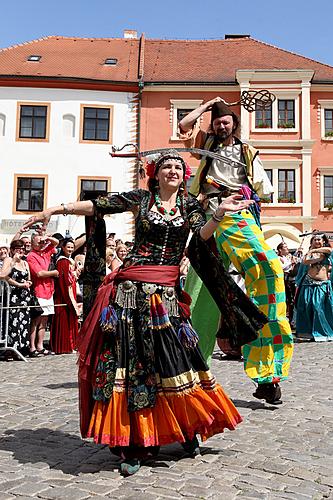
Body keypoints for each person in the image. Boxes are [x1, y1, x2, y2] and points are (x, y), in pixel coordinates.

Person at [23, 149, 264, 477]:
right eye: (166, 166)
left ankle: (186, 426)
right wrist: (54, 209)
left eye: (178, 167)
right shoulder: (142, 198)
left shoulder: (190, 205)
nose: (173, 171)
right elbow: (99, 205)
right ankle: (135, 442)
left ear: (184, 175)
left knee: (178, 361)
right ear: (156, 172)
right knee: (133, 367)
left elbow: (199, 238)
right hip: (130, 295)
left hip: (165, 297)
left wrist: (219, 213)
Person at [179, 98, 294, 405]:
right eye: (217, 121)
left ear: (234, 123)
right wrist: (208, 105)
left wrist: (249, 200)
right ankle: (189, 371)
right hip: (210, 218)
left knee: (269, 271)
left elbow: (263, 189)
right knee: (202, 293)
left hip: (239, 217)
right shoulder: (206, 143)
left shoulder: (246, 150)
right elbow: (184, 126)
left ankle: (268, 375)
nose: (221, 124)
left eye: (226, 121)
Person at [26, 233, 59, 357]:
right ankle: (32, 346)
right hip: (38, 290)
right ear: (32, 242)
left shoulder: (45, 252)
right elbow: (39, 274)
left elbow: (56, 243)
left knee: (44, 320)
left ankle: (40, 345)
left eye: (42, 241)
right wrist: (53, 273)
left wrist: (47, 238)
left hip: (49, 290)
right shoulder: (31, 256)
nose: (41, 243)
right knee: (36, 320)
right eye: (38, 241)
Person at [295, 234, 333, 342]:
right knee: (307, 306)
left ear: (323, 241)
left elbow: (329, 249)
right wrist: (313, 254)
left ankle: (323, 332)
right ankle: (309, 333)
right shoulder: (310, 253)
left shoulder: (326, 252)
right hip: (309, 284)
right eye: (315, 240)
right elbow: (305, 262)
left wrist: (314, 253)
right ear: (311, 242)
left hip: (322, 285)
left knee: (318, 307)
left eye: (319, 240)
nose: (317, 241)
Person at [1, 240, 32, 358]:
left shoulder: (25, 263)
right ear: (13, 250)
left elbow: (29, 277)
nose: (21, 251)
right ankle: (11, 348)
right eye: (18, 249)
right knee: (12, 321)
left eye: (23, 249)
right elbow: (3, 275)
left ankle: (22, 347)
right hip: (13, 295)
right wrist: (13, 262)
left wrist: (28, 282)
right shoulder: (8, 260)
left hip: (24, 296)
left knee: (23, 321)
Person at [50, 238, 79, 354]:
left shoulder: (70, 260)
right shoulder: (62, 261)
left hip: (71, 290)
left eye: (72, 247)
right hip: (64, 294)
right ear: (63, 248)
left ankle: (72, 345)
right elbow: (64, 280)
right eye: (68, 247)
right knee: (64, 319)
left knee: (70, 319)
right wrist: (68, 297)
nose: (70, 249)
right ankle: (64, 346)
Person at [277, 242, 297, 323]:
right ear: (280, 250)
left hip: (290, 280)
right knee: (285, 299)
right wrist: (290, 262)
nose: (287, 248)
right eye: (285, 247)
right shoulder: (278, 258)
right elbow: (281, 267)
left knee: (292, 300)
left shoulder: (287, 257)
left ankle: (292, 320)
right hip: (284, 280)